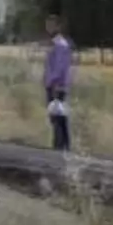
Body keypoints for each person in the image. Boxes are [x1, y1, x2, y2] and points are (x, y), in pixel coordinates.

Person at [43, 14, 73, 151]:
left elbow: (60, 67)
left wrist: (53, 82)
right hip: (54, 85)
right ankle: (63, 146)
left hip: (57, 86)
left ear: (58, 26)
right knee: (58, 117)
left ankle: (60, 146)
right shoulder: (54, 43)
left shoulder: (60, 44)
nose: (49, 28)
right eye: (48, 24)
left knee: (57, 118)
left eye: (52, 25)